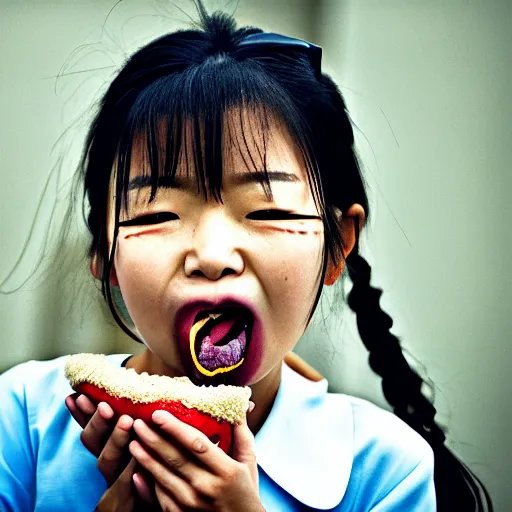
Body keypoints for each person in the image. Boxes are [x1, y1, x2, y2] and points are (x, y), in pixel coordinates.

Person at [0, 2, 493, 511]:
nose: (212, 256)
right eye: (159, 213)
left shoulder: (386, 471)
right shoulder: (21, 423)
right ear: (105, 253)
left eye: (264, 210)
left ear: (337, 246)